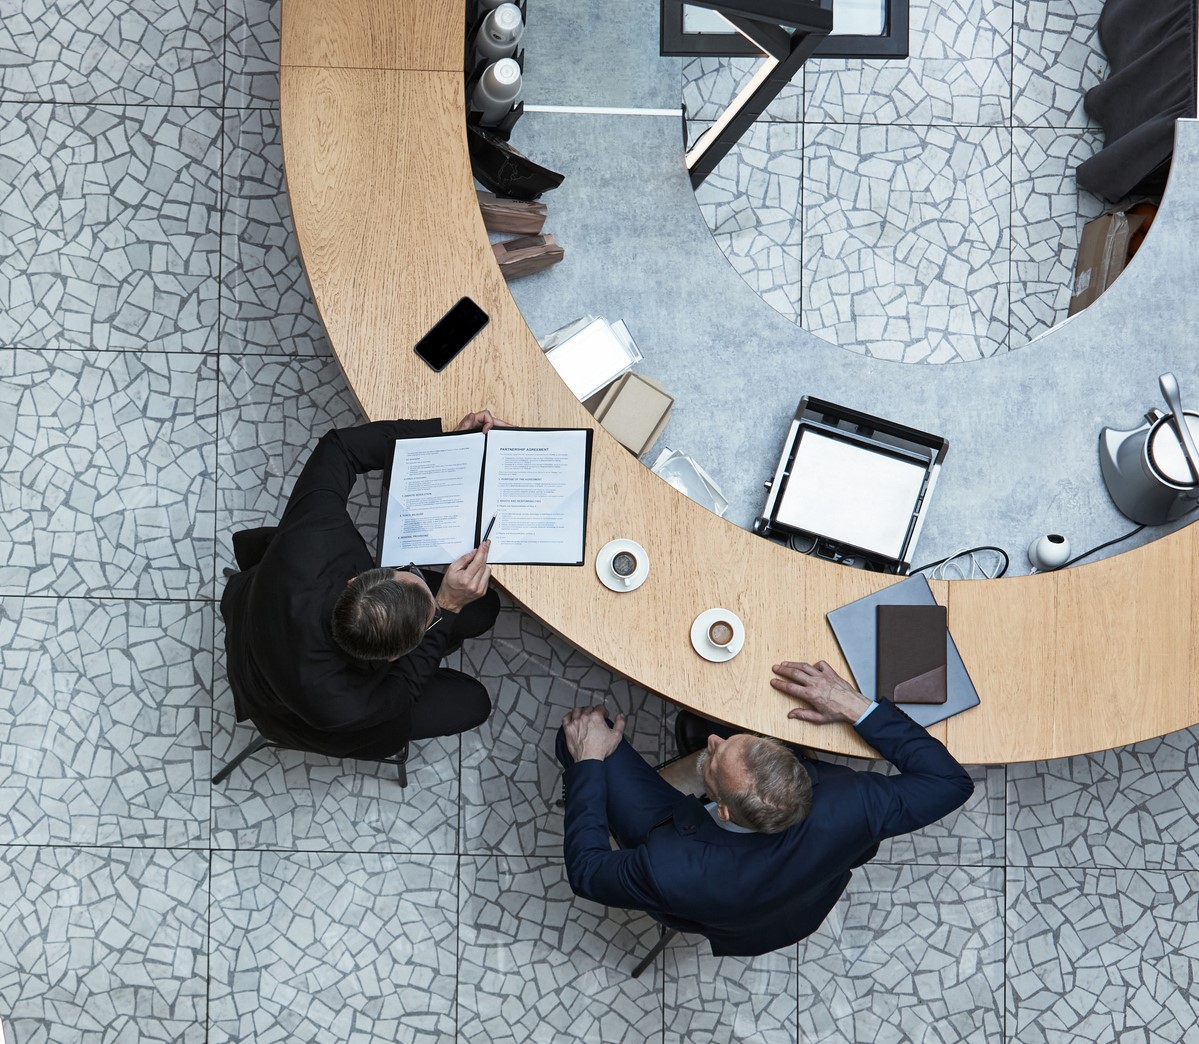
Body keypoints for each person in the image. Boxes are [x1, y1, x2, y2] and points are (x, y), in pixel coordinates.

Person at [557, 660, 974, 957]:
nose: (715, 742)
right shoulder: (853, 804)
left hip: (683, 844)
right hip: (793, 906)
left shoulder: (670, 869)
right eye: (729, 742)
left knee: (579, 741)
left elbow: (588, 873)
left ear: (720, 809)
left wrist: (590, 761)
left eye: (716, 756)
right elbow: (949, 782)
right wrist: (850, 705)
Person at [220, 412, 504, 760]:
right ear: (394, 657)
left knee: (486, 606)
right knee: (474, 702)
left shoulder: (312, 536)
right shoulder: (342, 704)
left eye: (408, 570)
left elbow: (339, 447)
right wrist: (449, 606)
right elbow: (404, 688)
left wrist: (441, 443)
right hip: (282, 704)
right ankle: (444, 630)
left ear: (359, 581)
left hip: (267, 611)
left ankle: (445, 626)